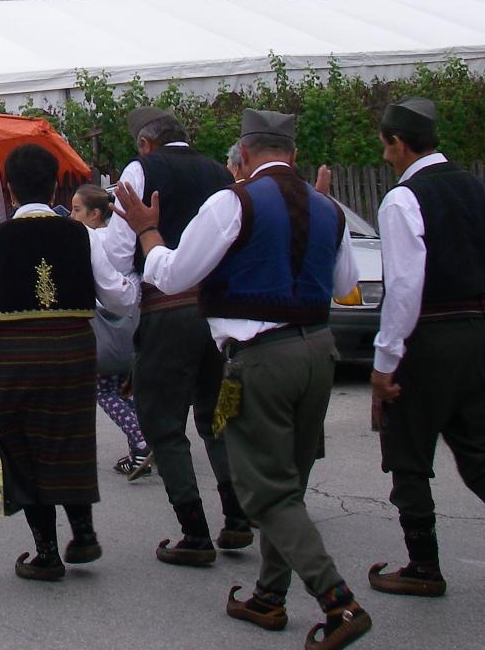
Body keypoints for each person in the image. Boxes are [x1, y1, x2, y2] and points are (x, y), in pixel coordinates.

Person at [115, 109, 370, 648]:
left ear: (245, 155)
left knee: (267, 492)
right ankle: (269, 597)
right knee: (290, 481)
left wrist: (148, 231)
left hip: (261, 355)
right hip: (320, 351)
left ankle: (337, 601)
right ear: (294, 155)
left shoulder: (235, 202)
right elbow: (344, 282)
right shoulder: (328, 208)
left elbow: (175, 272)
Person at [365, 98, 485, 603]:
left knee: (407, 454)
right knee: (481, 449)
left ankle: (423, 566)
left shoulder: (403, 200)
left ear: (399, 143)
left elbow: (405, 288)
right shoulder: (482, 195)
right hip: (476, 332)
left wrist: (385, 362)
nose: (386, 156)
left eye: (387, 146)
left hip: (425, 339)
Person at [0, 144, 137, 580]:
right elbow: (115, 295)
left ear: (9, 190)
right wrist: (138, 287)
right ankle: (84, 531)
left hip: (15, 354)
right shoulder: (83, 235)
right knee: (68, 438)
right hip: (74, 352)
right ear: (56, 185)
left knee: (21, 446)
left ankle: (47, 552)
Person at [107, 106, 248, 563]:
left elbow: (116, 249)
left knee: (163, 422)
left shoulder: (142, 169)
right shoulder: (219, 172)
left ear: (145, 144)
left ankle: (195, 533)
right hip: (216, 312)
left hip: (168, 309)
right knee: (216, 417)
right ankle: (237, 517)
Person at [70, 184, 150, 478]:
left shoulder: (90, 239)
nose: (72, 215)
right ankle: (138, 451)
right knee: (122, 388)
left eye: (77, 210)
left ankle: (142, 440)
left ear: (94, 213)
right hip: (129, 323)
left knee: (102, 391)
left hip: (102, 325)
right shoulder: (119, 240)